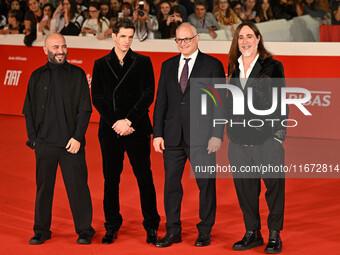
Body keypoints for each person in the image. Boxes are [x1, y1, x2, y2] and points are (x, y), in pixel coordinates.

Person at [153, 22, 225, 248]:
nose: (183, 44)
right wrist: (157, 134)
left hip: (203, 138)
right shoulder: (167, 65)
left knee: (206, 184)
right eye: (179, 40)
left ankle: (205, 230)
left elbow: (220, 103)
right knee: (171, 185)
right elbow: (161, 102)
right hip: (172, 137)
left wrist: (217, 134)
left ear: (197, 38)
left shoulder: (213, 65)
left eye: (187, 39)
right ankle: (173, 230)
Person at [91, 18, 160, 245]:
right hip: (111, 130)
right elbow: (97, 98)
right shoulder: (100, 64)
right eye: (123, 36)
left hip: (136, 128)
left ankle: (151, 225)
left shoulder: (143, 61)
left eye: (131, 36)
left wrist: (128, 120)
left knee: (144, 177)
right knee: (111, 179)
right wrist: (116, 123)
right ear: (114, 36)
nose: (127, 40)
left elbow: (148, 94)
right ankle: (111, 225)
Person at [22, 32, 95, 245]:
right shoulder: (36, 76)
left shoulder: (77, 74)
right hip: (44, 144)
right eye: (55, 47)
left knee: (78, 188)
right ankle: (41, 230)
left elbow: (84, 109)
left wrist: (78, 137)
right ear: (45, 50)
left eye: (63, 46)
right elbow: (29, 110)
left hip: (71, 144)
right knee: (44, 189)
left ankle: (84, 230)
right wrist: (33, 138)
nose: (60, 51)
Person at [226, 21, 288, 254]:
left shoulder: (273, 66)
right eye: (241, 37)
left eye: (249, 36)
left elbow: (282, 103)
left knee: (274, 188)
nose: (245, 41)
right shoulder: (233, 66)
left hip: (267, 140)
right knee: (245, 190)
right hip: (238, 141)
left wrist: (277, 137)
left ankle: (274, 234)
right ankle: (252, 232)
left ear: (258, 39)